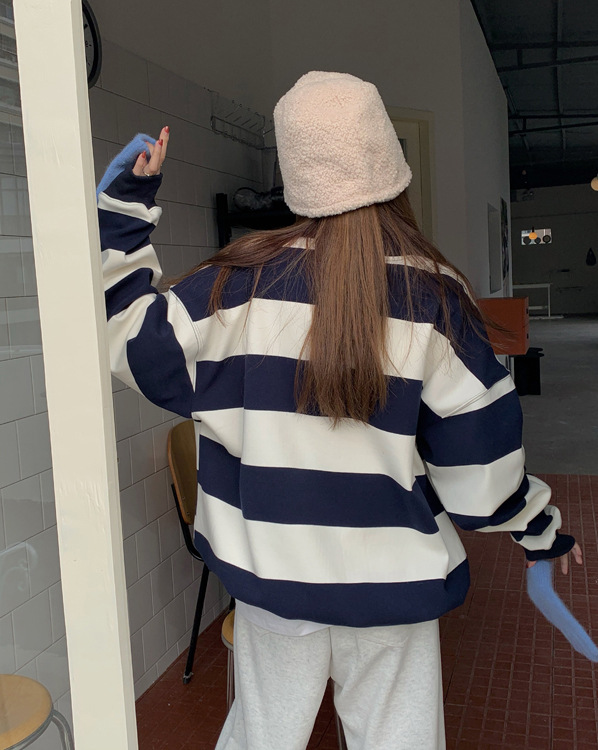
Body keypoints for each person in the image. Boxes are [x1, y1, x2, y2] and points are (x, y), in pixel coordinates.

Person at [98, 72, 582, 750]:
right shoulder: (438, 300)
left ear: (296, 180)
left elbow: (132, 346)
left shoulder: (231, 286)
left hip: (272, 583)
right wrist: (540, 532)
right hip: (393, 589)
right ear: (392, 171)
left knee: (261, 739)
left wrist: (124, 211)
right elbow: (481, 481)